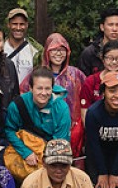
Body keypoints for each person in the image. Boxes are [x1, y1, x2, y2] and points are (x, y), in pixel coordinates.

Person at [20, 33, 87, 165]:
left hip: (73, 130)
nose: (58, 53)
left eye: (62, 50)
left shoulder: (76, 74)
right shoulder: (37, 75)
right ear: (47, 52)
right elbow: (23, 98)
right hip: (41, 130)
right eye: (54, 50)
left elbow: (87, 97)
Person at [4, 67, 71, 176]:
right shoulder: (17, 105)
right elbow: (9, 130)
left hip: (52, 155)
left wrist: (44, 160)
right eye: (39, 88)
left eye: (47, 88)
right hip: (24, 152)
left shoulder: (62, 108)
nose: (44, 93)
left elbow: (61, 141)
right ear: (30, 88)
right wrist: (26, 153)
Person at [77, 8, 118, 85]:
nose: (114, 29)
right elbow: (82, 84)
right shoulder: (90, 53)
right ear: (102, 27)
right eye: (110, 25)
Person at [79, 40, 118, 110]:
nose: (114, 62)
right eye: (110, 58)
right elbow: (84, 110)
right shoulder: (91, 81)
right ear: (102, 58)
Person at [3, 7, 42, 84]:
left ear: (27, 25)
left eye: (22, 24)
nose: (18, 28)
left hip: (27, 95)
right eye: (14, 24)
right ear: (8, 25)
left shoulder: (36, 50)